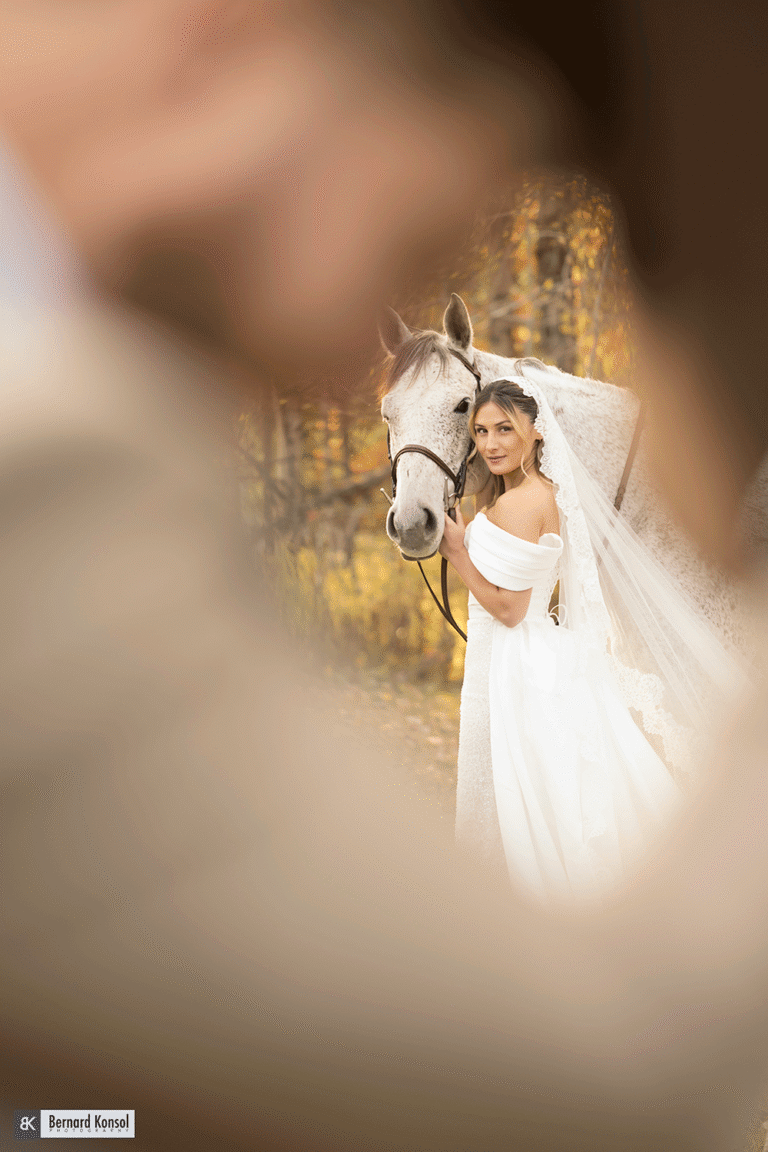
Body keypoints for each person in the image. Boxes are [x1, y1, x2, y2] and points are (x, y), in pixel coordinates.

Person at [3, 3, 768, 1151]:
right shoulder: (44, 472)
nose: (324, 383)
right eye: (410, 249)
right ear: (220, 54)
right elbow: (606, 1067)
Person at [440, 376, 751, 904]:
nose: (491, 444)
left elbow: (511, 609)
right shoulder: (530, 495)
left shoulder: (523, 502)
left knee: (530, 788)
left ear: (536, 435)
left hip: (518, 660)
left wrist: (457, 553)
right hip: (524, 654)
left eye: (505, 430)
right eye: (482, 431)